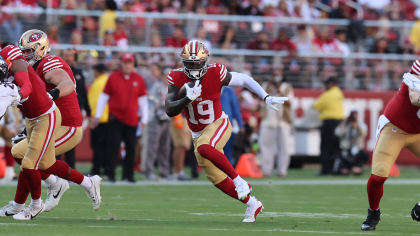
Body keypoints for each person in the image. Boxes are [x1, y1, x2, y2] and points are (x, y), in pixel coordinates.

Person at [165, 40, 288, 222]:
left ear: (205, 61)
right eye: (189, 64)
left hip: (218, 123)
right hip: (197, 133)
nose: (193, 67)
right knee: (217, 179)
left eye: (197, 63)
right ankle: (253, 204)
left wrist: (266, 97)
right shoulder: (176, 77)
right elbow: (169, 109)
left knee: (204, 148)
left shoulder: (216, 72)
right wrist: (186, 100)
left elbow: (245, 80)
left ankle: (240, 181)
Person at [0, 44, 101, 220]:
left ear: (42, 48)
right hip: (38, 119)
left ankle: (33, 202)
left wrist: (51, 93)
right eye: (23, 50)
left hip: (65, 125)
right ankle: (73, 183)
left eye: (29, 50)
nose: (26, 54)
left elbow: (66, 83)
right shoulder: (27, 66)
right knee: (22, 153)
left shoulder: (47, 62)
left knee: (31, 160)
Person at [361, 60, 420, 230]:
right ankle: (373, 212)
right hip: (395, 128)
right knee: (378, 176)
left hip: (418, 132)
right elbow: (415, 98)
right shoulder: (419, 66)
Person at [93, 52, 148, 183]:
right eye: (125, 62)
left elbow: (143, 101)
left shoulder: (138, 79)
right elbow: (103, 97)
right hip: (115, 118)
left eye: (130, 63)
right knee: (113, 147)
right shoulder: (113, 77)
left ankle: (128, 175)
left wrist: (144, 118)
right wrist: (98, 115)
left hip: (131, 119)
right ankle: (110, 173)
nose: (127, 65)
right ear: (121, 63)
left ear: (133, 64)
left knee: (131, 148)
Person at [61, 49, 91, 169]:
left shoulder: (78, 73)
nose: (68, 58)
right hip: (60, 111)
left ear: (75, 58)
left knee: (71, 143)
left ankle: (70, 171)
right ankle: (54, 172)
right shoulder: (57, 71)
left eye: (70, 56)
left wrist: (89, 112)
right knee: (56, 142)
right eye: (66, 55)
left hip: (74, 112)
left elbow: (83, 93)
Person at [313, 77, 344, 175]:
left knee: (325, 147)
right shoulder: (338, 92)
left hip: (329, 123)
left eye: (326, 83)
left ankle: (326, 170)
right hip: (338, 122)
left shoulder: (328, 95)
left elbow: (316, 105)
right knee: (336, 146)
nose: (325, 85)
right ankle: (335, 169)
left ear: (331, 84)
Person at [144, 65, 171, 180]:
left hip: (166, 119)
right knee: (152, 146)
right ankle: (148, 171)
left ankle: (164, 172)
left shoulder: (172, 88)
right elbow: (151, 100)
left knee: (165, 147)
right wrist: (161, 103)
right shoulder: (158, 86)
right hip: (156, 119)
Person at [88, 64, 109, 176]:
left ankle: (96, 168)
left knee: (98, 146)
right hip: (107, 117)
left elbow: (95, 102)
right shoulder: (108, 80)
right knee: (106, 146)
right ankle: (106, 169)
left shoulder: (98, 83)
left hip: (99, 118)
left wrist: (93, 117)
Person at [334, 110, 368, 175]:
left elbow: (363, 134)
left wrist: (357, 127)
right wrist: (343, 123)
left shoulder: (361, 125)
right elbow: (337, 133)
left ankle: (356, 167)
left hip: (357, 151)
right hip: (345, 151)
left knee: (357, 172)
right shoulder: (345, 125)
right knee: (343, 172)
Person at [220, 86, 244, 165]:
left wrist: (241, 125)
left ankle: (229, 171)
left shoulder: (229, 91)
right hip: (213, 125)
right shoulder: (210, 88)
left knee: (228, 149)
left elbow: (236, 108)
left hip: (227, 125)